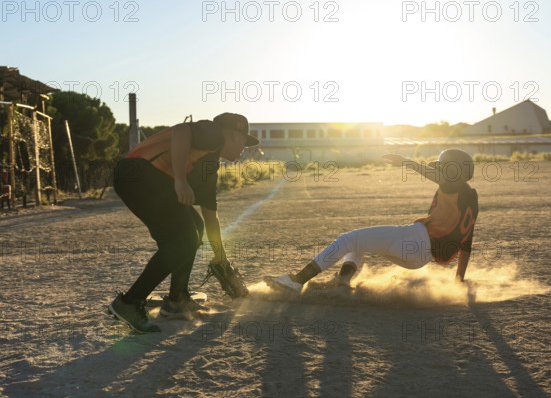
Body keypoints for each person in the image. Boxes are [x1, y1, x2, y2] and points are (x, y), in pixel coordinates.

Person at [109, 113, 259, 333]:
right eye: (244, 142)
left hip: (149, 181)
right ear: (232, 135)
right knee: (182, 242)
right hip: (138, 174)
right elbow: (181, 130)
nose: (244, 148)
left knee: (194, 229)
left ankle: (177, 299)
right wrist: (180, 180)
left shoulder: (209, 167)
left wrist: (221, 259)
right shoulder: (213, 134)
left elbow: (211, 219)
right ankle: (129, 303)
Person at [265, 149, 479, 293]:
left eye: (444, 167)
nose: (440, 170)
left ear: (454, 170)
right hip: (421, 258)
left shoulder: (454, 186)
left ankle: (297, 281)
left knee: (348, 239)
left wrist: (407, 162)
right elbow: (466, 247)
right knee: (359, 243)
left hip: (416, 239)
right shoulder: (471, 201)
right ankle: (342, 283)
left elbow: (444, 179)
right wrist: (459, 281)